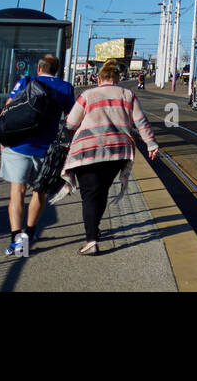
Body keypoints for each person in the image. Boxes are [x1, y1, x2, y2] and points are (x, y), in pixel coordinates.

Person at [60, 61, 159, 256]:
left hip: (87, 152)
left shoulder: (87, 95)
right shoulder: (127, 95)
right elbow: (141, 122)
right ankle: (94, 229)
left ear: (98, 79)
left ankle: (91, 241)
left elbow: (70, 123)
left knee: (89, 195)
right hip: (117, 153)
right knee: (102, 191)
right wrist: (151, 144)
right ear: (117, 79)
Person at [0, 54, 75, 258]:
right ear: (57, 70)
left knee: (17, 191)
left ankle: (15, 238)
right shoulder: (66, 88)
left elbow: (6, 110)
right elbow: (71, 120)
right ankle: (29, 234)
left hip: (18, 145)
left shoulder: (26, 81)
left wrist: (2, 140)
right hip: (46, 149)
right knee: (39, 192)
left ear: (39, 68)